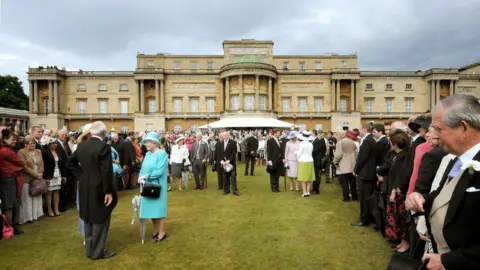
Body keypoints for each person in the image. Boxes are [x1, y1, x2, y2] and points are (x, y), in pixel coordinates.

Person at [406, 94, 480, 269]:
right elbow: (443, 195)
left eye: (439, 129)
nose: (434, 136)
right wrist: (420, 199)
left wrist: (447, 261)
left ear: (463, 128)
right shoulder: (456, 160)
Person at [66, 121, 117, 260]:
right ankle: (97, 251)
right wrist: (108, 191)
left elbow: (70, 162)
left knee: (88, 216)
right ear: (104, 133)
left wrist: (82, 175)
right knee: (101, 216)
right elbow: (106, 170)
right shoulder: (103, 147)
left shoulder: (82, 145)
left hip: (85, 185)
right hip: (99, 186)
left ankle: (90, 250)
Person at [138, 133, 169, 243]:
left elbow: (160, 171)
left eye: (147, 142)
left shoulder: (162, 154)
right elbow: (143, 168)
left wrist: (147, 176)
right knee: (151, 208)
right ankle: (155, 230)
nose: (145, 144)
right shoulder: (147, 154)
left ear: (155, 143)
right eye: (145, 142)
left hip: (157, 184)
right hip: (146, 185)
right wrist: (140, 177)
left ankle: (162, 232)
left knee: (159, 208)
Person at [384, 130, 411, 253]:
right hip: (394, 190)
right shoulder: (398, 156)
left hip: (398, 193)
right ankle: (400, 241)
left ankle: (404, 243)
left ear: (395, 144)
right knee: (396, 218)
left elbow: (400, 175)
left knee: (400, 218)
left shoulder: (403, 157)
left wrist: (394, 191)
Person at [0, 129, 25, 235]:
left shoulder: (5, 149)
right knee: (9, 205)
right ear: (5, 139)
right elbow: (20, 162)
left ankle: (10, 226)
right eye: (12, 139)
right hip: (8, 179)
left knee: (10, 204)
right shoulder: (6, 151)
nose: (15, 141)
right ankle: (10, 227)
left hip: (8, 178)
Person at [352, 122, 377, 227]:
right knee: (367, 197)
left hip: (365, 174)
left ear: (365, 129)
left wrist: (355, 170)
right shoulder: (371, 139)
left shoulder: (367, 141)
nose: (359, 131)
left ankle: (364, 219)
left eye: (360, 129)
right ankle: (368, 217)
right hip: (369, 173)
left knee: (364, 198)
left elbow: (362, 158)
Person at [17, 136, 45, 224]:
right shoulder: (21, 152)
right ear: (25, 145)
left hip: (38, 177)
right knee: (27, 198)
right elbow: (24, 166)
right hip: (27, 177)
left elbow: (42, 164)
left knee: (36, 195)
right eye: (31, 143)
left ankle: (35, 215)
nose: (33, 145)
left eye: (34, 143)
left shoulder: (38, 151)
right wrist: (36, 175)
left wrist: (40, 173)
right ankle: (27, 217)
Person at [41, 136, 63, 217]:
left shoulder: (58, 151)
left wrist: (63, 175)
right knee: (49, 192)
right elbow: (43, 165)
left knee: (57, 191)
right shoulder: (45, 152)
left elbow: (62, 163)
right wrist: (45, 176)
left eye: (56, 143)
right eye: (53, 143)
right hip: (49, 174)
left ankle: (56, 209)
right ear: (48, 144)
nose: (55, 145)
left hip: (58, 174)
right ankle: (49, 210)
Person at [333, 130, 358, 202]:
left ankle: (346, 198)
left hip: (344, 165)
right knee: (353, 183)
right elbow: (356, 153)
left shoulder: (340, 142)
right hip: (352, 165)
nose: (336, 137)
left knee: (345, 183)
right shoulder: (352, 141)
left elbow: (338, 155)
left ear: (341, 135)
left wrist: (335, 161)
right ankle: (354, 197)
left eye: (337, 135)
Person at [296, 130, 315, 197]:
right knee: (309, 177)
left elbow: (299, 153)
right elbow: (311, 152)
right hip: (310, 160)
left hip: (303, 161)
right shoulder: (311, 144)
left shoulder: (301, 144)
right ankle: (307, 191)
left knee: (303, 177)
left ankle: (304, 192)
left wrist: (297, 158)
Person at [219, 131, 239, 196]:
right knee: (225, 177)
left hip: (231, 164)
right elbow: (220, 154)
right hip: (224, 164)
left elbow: (234, 152)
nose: (224, 137)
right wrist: (221, 161)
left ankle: (235, 191)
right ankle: (226, 190)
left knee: (233, 177)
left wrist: (229, 160)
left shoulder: (233, 142)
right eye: (223, 136)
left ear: (228, 135)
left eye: (226, 135)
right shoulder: (221, 143)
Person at [312, 129, 327, 194]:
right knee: (315, 175)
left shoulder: (319, 141)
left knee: (317, 175)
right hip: (316, 160)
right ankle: (314, 188)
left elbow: (314, 151)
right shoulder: (318, 141)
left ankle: (316, 189)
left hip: (317, 160)